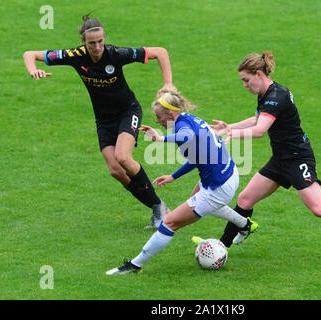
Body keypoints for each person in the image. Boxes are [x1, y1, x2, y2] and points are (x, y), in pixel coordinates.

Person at [194, 51, 321, 257]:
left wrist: (233, 133)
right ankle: (221, 248)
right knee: (245, 199)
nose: (244, 85)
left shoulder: (276, 97)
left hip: (297, 159)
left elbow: (260, 131)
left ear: (259, 74)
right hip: (280, 160)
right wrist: (226, 128)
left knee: (319, 208)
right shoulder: (266, 94)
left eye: (246, 80)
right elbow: (256, 120)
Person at [23, 15, 173, 228]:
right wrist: (33, 70)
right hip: (104, 119)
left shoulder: (115, 54)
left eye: (100, 41)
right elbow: (30, 54)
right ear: (83, 42)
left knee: (123, 157)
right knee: (115, 171)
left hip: (127, 110)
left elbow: (160, 52)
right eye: (92, 43)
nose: (97, 47)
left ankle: (160, 209)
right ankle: (158, 208)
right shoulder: (75, 56)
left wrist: (167, 84)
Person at [105, 86, 258, 274]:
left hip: (218, 187)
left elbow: (188, 136)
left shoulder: (182, 127)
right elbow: (198, 156)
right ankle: (245, 225)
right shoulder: (188, 119)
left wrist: (159, 139)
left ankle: (135, 265)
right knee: (197, 198)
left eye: (159, 117)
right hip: (229, 174)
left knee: (169, 222)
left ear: (170, 114)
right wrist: (172, 176)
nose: (158, 121)